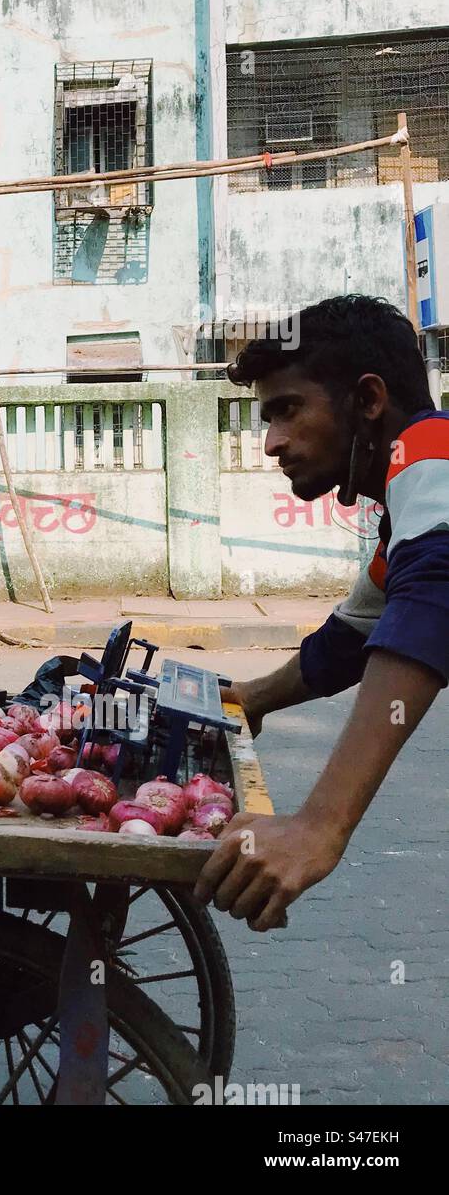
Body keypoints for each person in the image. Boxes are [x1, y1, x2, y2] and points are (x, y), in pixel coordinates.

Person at [196, 296, 447, 931]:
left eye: (286, 411)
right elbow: (351, 637)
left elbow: (432, 603)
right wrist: (248, 697)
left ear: (367, 400)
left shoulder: (430, 454)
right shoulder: (410, 505)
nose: (272, 443)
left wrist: (318, 827)